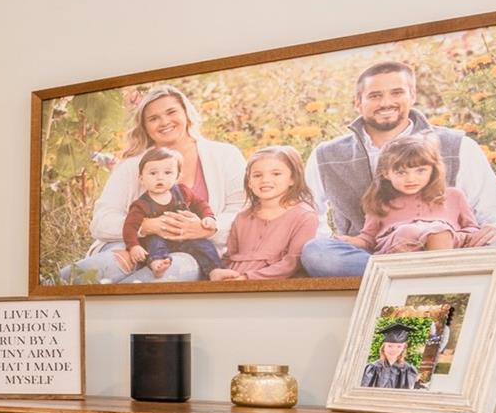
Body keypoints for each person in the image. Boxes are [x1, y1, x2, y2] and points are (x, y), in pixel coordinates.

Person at [301, 60, 496, 277]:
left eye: (397, 92)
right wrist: (336, 241)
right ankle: (425, 275)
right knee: (318, 253)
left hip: (451, 247)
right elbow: (309, 215)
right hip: (377, 254)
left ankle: (422, 273)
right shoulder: (327, 155)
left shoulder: (457, 145)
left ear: (412, 96)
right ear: (358, 103)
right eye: (375, 95)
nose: (386, 102)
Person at [68, 86, 247, 284]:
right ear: (144, 127)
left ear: (187, 114)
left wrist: (207, 228)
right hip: (132, 244)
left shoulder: (225, 155)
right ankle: (50, 287)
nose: (164, 122)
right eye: (153, 118)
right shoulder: (131, 165)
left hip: (192, 252)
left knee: (167, 271)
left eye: (171, 112)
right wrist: (146, 226)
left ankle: (110, 311)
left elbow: (244, 213)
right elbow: (102, 220)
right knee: (106, 266)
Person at [348, 135, 480, 254]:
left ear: (433, 170)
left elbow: (472, 229)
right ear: (386, 173)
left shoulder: (454, 195)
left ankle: (441, 274)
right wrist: (344, 241)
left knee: (439, 231)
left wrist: (446, 233)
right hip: (398, 244)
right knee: (407, 231)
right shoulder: (381, 201)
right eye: (401, 172)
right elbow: (368, 239)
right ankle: (412, 275)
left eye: (420, 171)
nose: (411, 179)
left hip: (447, 242)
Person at [210, 146, 320, 280]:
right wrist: (219, 272)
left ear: (293, 179)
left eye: (276, 174)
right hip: (233, 285)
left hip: (273, 289)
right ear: (249, 182)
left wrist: (247, 278)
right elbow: (229, 257)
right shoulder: (242, 217)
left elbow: (293, 263)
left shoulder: (304, 216)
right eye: (257, 175)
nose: (265, 180)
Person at [122, 147, 221, 278]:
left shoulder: (183, 192)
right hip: (159, 240)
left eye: (167, 173)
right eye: (153, 173)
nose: (160, 178)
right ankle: (157, 263)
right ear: (141, 179)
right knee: (154, 243)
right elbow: (129, 227)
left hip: (186, 238)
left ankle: (215, 270)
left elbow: (201, 204)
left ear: (177, 177)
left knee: (205, 245)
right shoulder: (141, 205)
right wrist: (133, 246)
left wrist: (209, 218)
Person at [361, 322, 423, 390]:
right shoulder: (372, 369)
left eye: (399, 346)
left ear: (403, 348)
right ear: (383, 347)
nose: (394, 350)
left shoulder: (409, 370)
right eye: (390, 346)